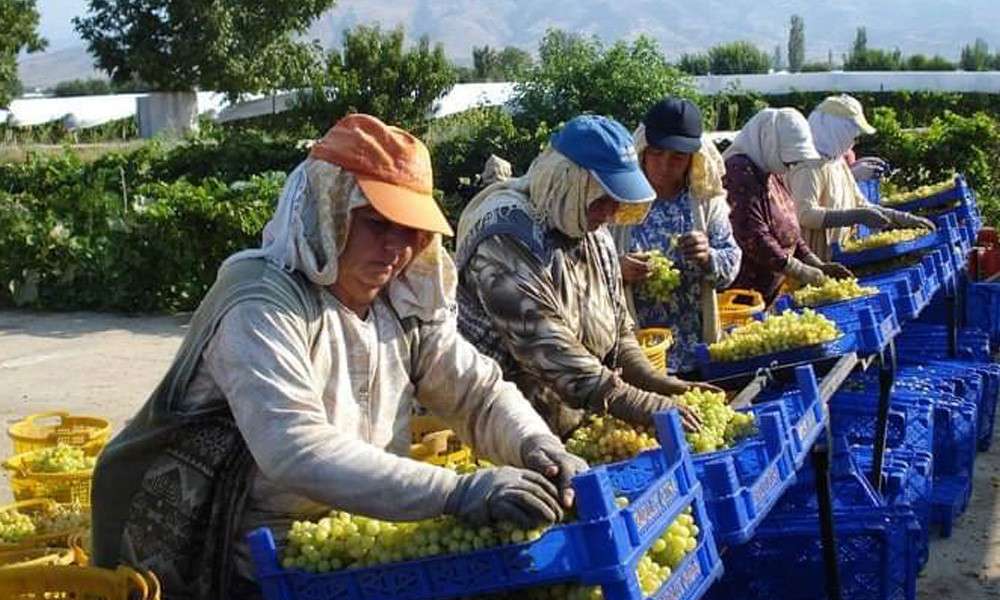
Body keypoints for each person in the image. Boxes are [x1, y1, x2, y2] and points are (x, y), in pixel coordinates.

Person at [89, 114, 587, 599]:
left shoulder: (401, 302)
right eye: (377, 224)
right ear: (328, 211)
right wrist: (457, 492)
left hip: (335, 535)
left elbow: (477, 393)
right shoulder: (261, 301)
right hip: (222, 547)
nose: (397, 248)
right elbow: (294, 446)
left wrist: (537, 446)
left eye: (411, 231)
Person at [455, 114, 714, 439]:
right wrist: (640, 402)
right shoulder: (505, 236)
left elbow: (619, 328)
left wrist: (653, 381)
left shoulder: (587, 227)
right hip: (511, 428)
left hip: (575, 415)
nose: (611, 212)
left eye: (617, 201)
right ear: (570, 181)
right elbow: (546, 348)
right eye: (603, 199)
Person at [611, 98, 742, 376]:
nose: (664, 165)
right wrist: (617, 268)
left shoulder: (704, 203)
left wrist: (709, 257)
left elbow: (730, 262)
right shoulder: (618, 203)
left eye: (677, 158)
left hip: (696, 350)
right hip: (639, 353)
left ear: (692, 160)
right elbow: (587, 267)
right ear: (643, 152)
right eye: (656, 154)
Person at [721, 108, 852, 303]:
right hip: (744, 298)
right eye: (789, 159)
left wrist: (813, 261)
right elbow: (752, 234)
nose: (791, 166)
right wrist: (798, 269)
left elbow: (787, 225)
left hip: (768, 294)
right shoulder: (738, 171)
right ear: (769, 142)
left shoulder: (770, 173)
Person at [786, 94, 934, 260]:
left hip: (838, 255)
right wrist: (855, 216)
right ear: (837, 130)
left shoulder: (837, 162)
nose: (854, 141)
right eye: (852, 134)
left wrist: (902, 219)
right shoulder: (808, 165)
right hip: (813, 260)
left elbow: (860, 202)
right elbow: (806, 215)